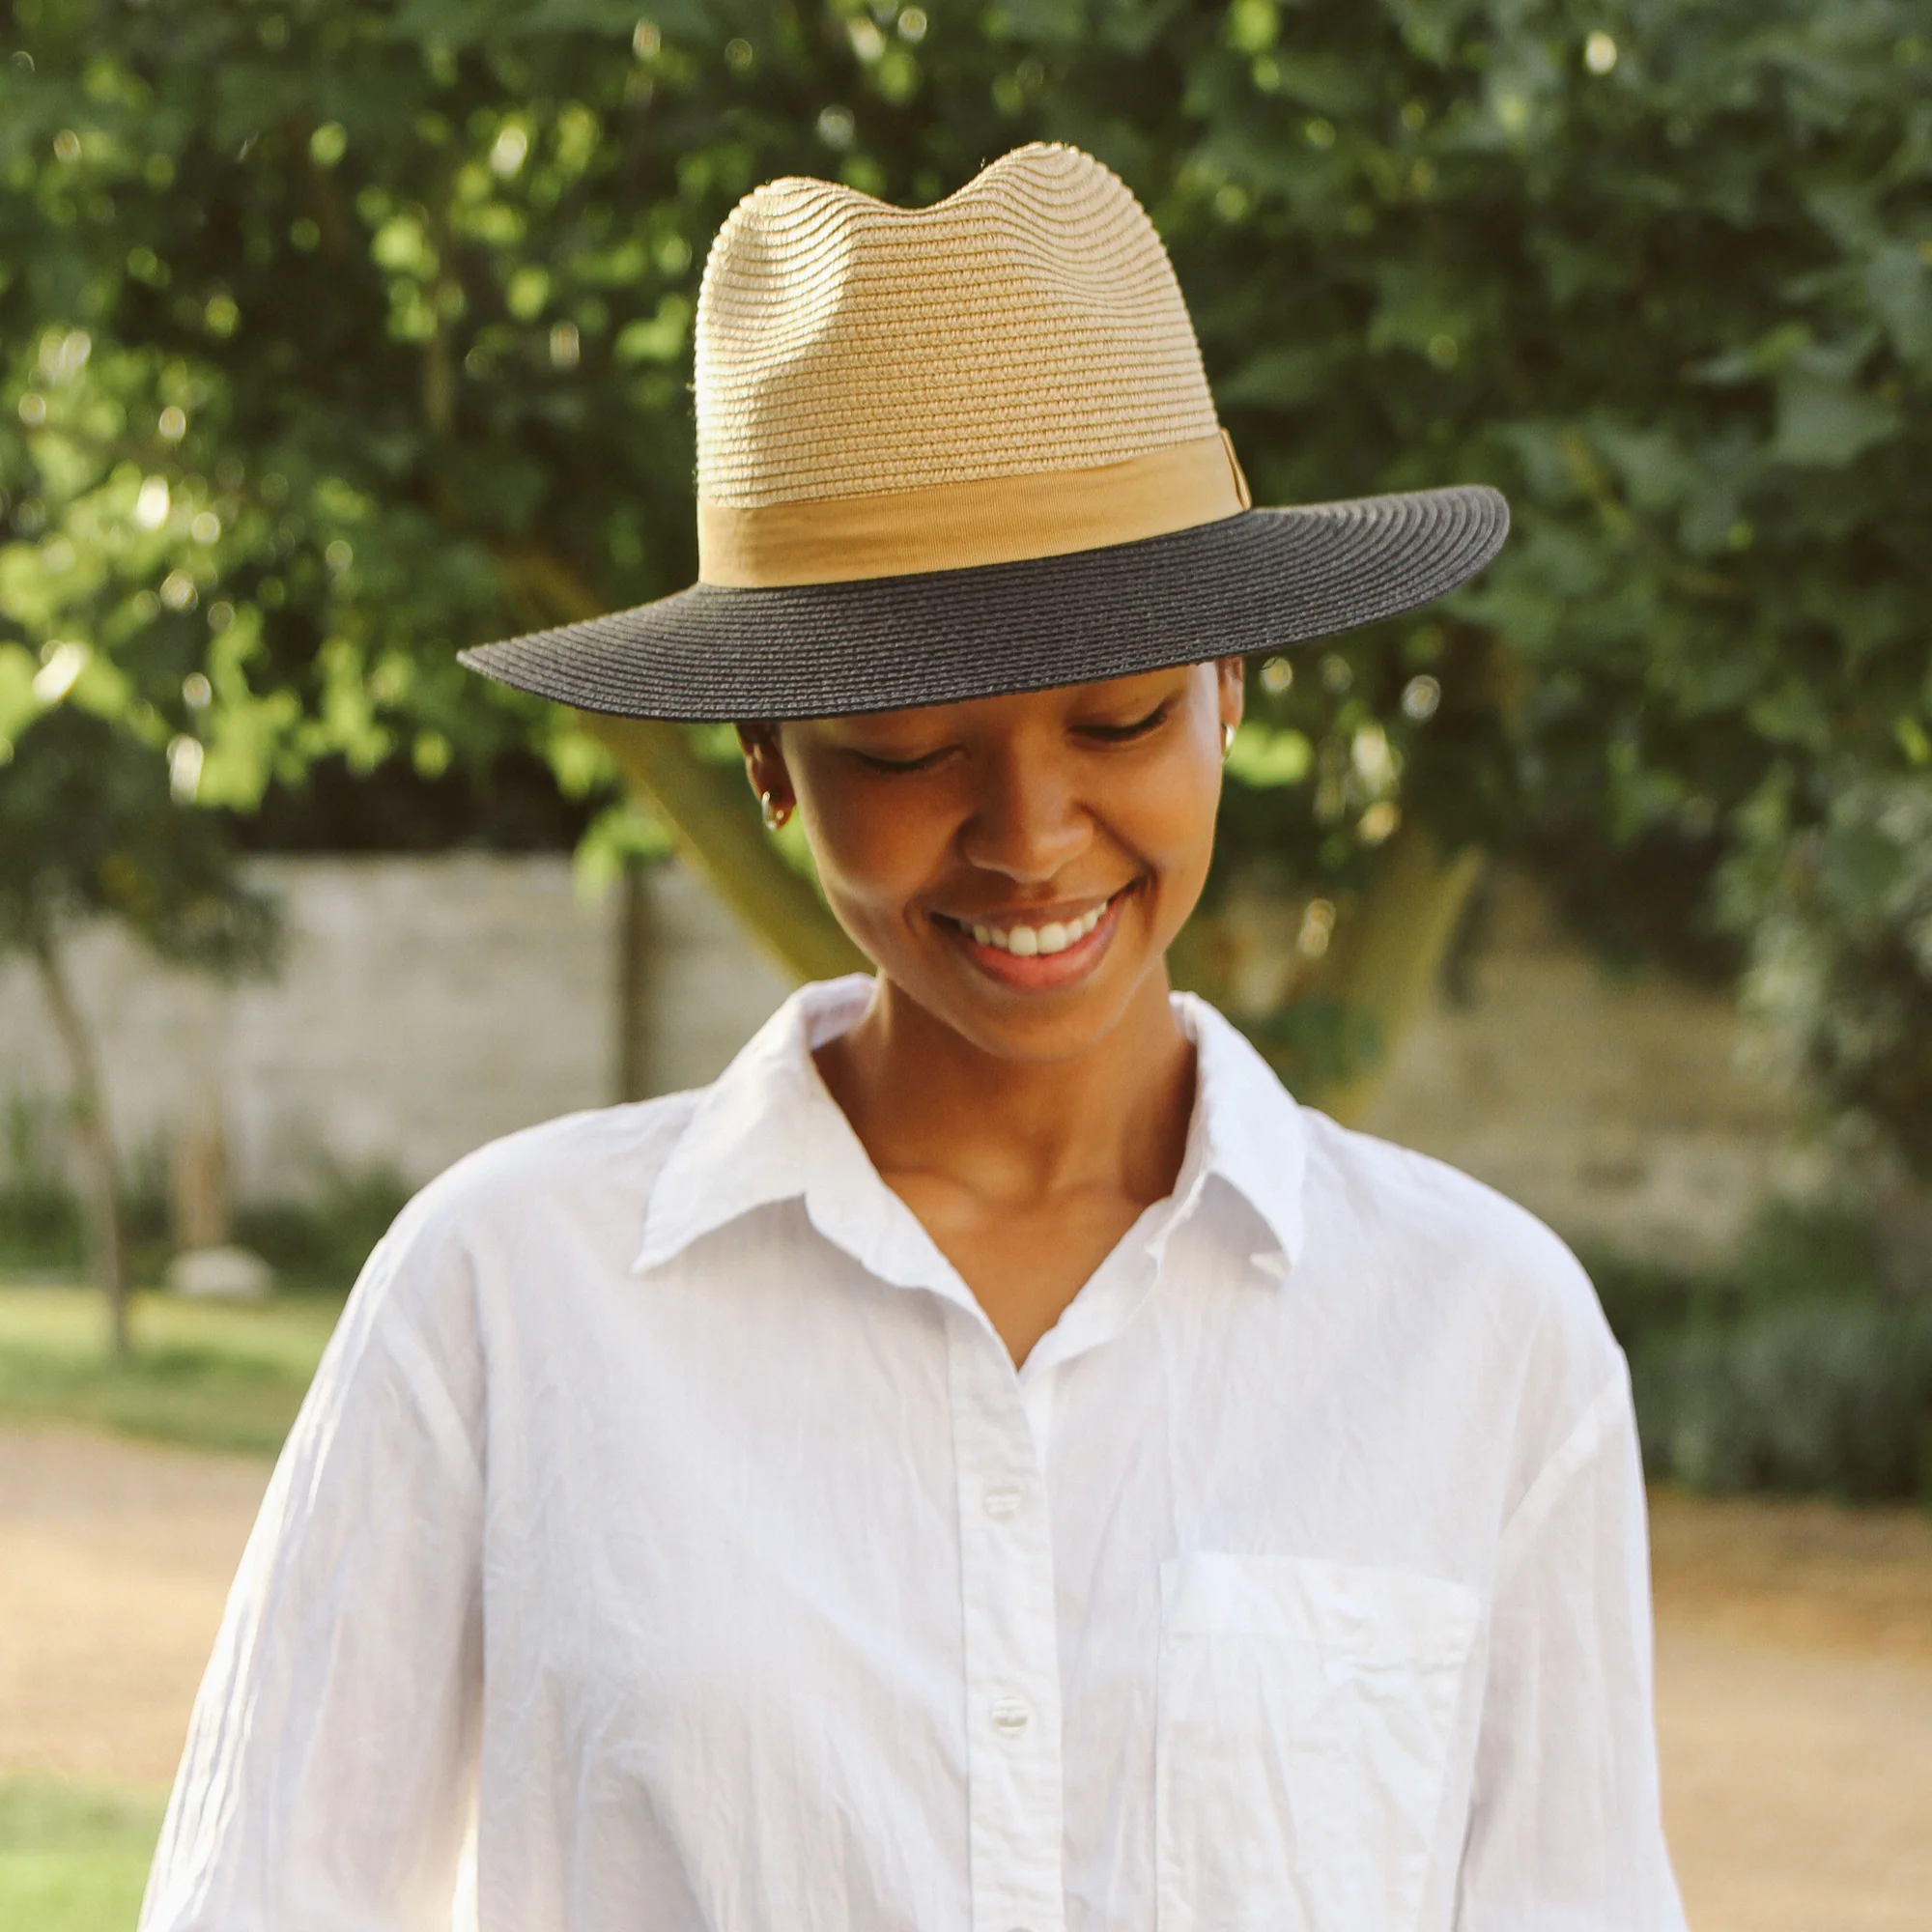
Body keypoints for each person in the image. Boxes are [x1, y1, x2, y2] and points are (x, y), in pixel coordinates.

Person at [141, 144, 1685, 1932]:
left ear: (1233, 695)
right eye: (903, 751)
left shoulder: (1483, 1335)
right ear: (769, 765)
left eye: (1116, 722)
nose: (1030, 836)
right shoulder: (503, 1302)